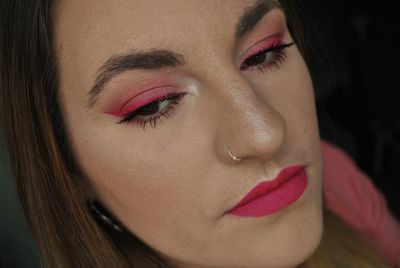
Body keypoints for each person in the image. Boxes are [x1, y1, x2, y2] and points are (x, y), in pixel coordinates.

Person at [0, 0, 399, 267]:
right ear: (69, 168)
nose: (266, 134)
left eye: (263, 52)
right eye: (153, 105)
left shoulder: (333, 181)